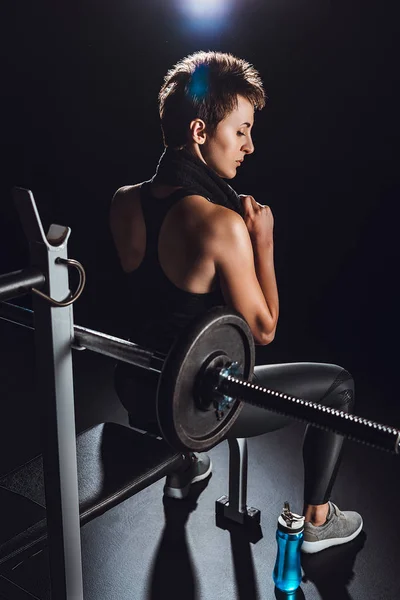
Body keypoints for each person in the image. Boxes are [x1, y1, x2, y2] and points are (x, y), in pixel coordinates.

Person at [110, 51, 362, 554]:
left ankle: (181, 470)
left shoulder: (123, 201)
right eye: (241, 130)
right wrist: (262, 242)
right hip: (194, 409)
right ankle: (316, 523)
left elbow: (156, 305)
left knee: (175, 346)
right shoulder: (220, 225)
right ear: (200, 132)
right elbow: (263, 329)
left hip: (139, 395)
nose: (250, 145)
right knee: (338, 387)